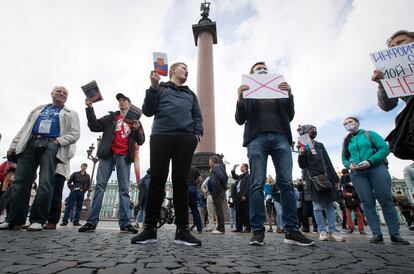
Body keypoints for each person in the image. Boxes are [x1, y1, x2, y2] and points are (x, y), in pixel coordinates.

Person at [235, 61, 314, 246]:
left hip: (280, 137)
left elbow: (290, 114)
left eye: (264, 69)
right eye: (258, 70)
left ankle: (292, 231)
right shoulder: (248, 94)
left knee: (286, 183)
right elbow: (240, 119)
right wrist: (239, 98)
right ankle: (257, 231)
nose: (262, 71)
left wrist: (290, 94)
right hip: (256, 138)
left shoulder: (279, 91)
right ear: (251, 75)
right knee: (256, 184)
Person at [131, 62, 203, 246]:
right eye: (183, 67)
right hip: (161, 136)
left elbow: (197, 115)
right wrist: (153, 87)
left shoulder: (190, 94)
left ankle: (182, 230)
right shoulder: (160, 88)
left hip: (185, 139)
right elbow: (147, 111)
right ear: (172, 70)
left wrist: (197, 133)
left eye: (187, 69)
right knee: (157, 180)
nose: (186, 70)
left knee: (181, 182)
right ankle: (150, 229)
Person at [0, 86, 80, 231]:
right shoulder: (38, 109)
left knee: (45, 182)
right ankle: (14, 219)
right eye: (58, 91)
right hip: (31, 142)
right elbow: (24, 129)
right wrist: (14, 145)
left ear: (67, 98)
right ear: (52, 94)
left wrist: (57, 142)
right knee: (20, 182)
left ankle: (37, 220)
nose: (61, 94)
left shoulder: (71, 114)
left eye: (65, 93)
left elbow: (75, 134)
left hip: (51, 144)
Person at [79, 93, 145, 234]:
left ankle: (125, 223)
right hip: (107, 155)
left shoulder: (135, 120)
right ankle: (91, 222)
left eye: (124, 100)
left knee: (124, 189)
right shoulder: (111, 117)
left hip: (124, 156)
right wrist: (89, 109)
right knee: (100, 187)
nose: (121, 102)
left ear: (129, 104)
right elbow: (93, 126)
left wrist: (137, 129)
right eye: (119, 101)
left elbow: (141, 140)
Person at [341, 116, 409, 245]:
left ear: (357, 123)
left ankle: (395, 234)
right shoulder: (346, 141)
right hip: (357, 173)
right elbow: (344, 158)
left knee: (386, 200)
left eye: (350, 121)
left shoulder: (369, 134)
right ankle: (376, 234)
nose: (348, 124)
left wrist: (370, 161)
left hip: (376, 169)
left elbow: (384, 148)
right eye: (345, 123)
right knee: (367, 203)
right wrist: (349, 164)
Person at [298, 124, 344, 242]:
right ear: (305, 132)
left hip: (325, 177)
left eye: (315, 130)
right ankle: (322, 231)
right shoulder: (303, 145)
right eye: (311, 130)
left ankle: (333, 231)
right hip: (312, 179)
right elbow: (302, 165)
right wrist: (301, 154)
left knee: (329, 205)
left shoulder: (320, 145)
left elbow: (328, 161)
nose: (314, 132)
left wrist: (335, 178)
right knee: (317, 206)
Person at [371, 30, 414, 112]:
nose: (396, 47)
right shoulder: (393, 73)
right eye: (392, 46)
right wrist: (383, 85)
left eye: (400, 42)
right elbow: (386, 106)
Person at [207, 156, 228, 234]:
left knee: (219, 210)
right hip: (218, 191)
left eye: (209, 162)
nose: (209, 164)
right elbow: (224, 176)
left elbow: (223, 177)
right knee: (218, 210)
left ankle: (221, 228)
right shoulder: (218, 168)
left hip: (217, 192)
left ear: (213, 162)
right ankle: (220, 227)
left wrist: (224, 186)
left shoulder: (216, 168)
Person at [231, 163, 250, 233]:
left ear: (245, 168)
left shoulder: (248, 176)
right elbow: (235, 176)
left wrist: (245, 195)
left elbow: (248, 186)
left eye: (242, 167)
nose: (240, 168)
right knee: (238, 212)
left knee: (246, 212)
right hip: (238, 196)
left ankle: (248, 228)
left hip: (244, 196)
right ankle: (239, 228)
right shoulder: (241, 176)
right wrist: (233, 170)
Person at [186, 165, 203, 234]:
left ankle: (184, 228)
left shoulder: (181, 167)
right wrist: (194, 183)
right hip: (192, 188)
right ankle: (199, 229)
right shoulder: (194, 168)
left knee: (184, 209)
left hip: (184, 189)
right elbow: (200, 180)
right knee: (194, 209)